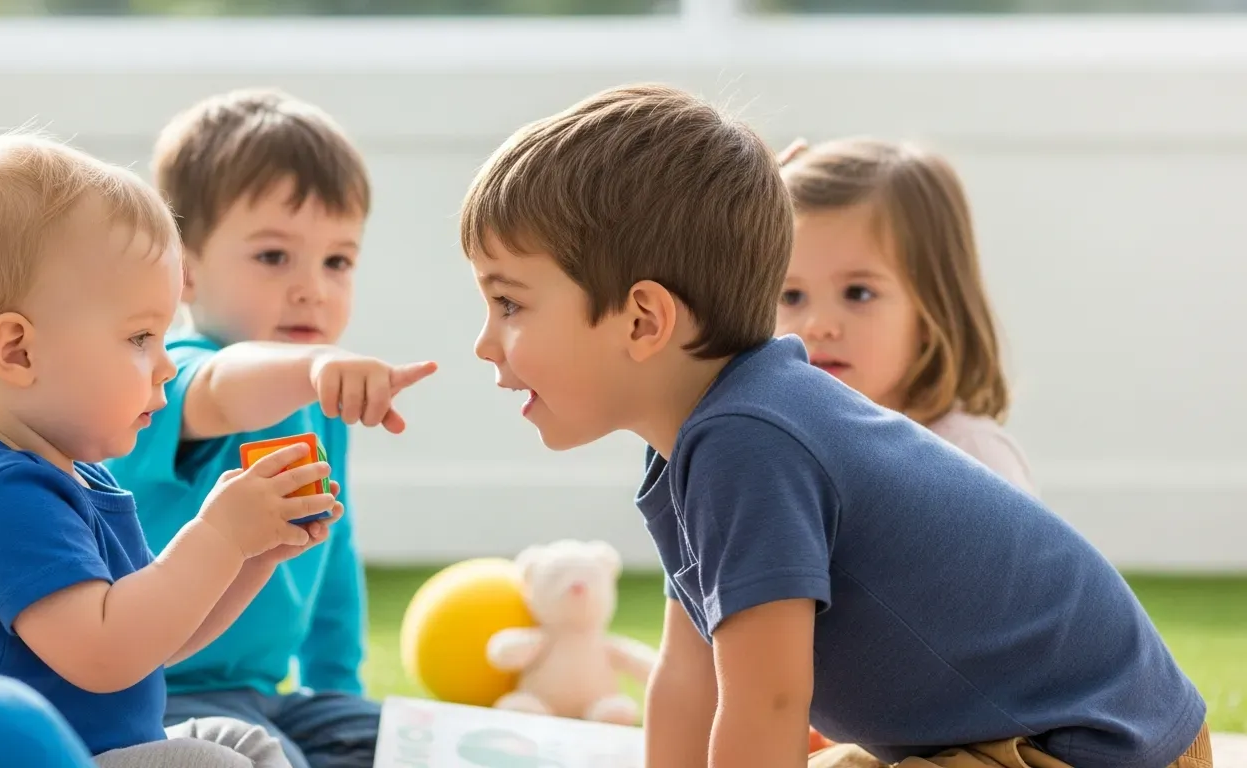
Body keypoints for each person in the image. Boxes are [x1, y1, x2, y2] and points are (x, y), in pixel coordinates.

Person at [459, 83, 1209, 768]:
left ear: (645, 319)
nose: (485, 342)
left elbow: (768, 702)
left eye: (510, 305)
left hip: (1096, 747)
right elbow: (691, 683)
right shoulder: (702, 445)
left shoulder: (751, 443)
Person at [0, 131, 345, 767]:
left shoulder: (79, 478)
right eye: (140, 338)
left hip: (88, 751)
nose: (166, 367)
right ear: (18, 351)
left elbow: (155, 639)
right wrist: (219, 536)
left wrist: (254, 556)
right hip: (5, 759)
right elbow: (108, 653)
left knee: (241, 744)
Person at [106, 88, 433, 768]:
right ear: (185, 272)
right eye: (274, 257)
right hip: (157, 694)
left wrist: (335, 692)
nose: (312, 287)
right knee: (261, 756)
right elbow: (228, 390)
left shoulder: (319, 400)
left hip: (266, 696)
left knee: (410, 744)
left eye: (337, 261)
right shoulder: (171, 381)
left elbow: (331, 561)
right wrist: (314, 364)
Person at [775, 137, 1035, 494]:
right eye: (791, 295)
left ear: (932, 309)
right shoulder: (791, 445)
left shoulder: (969, 456)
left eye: (858, 293)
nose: (817, 326)